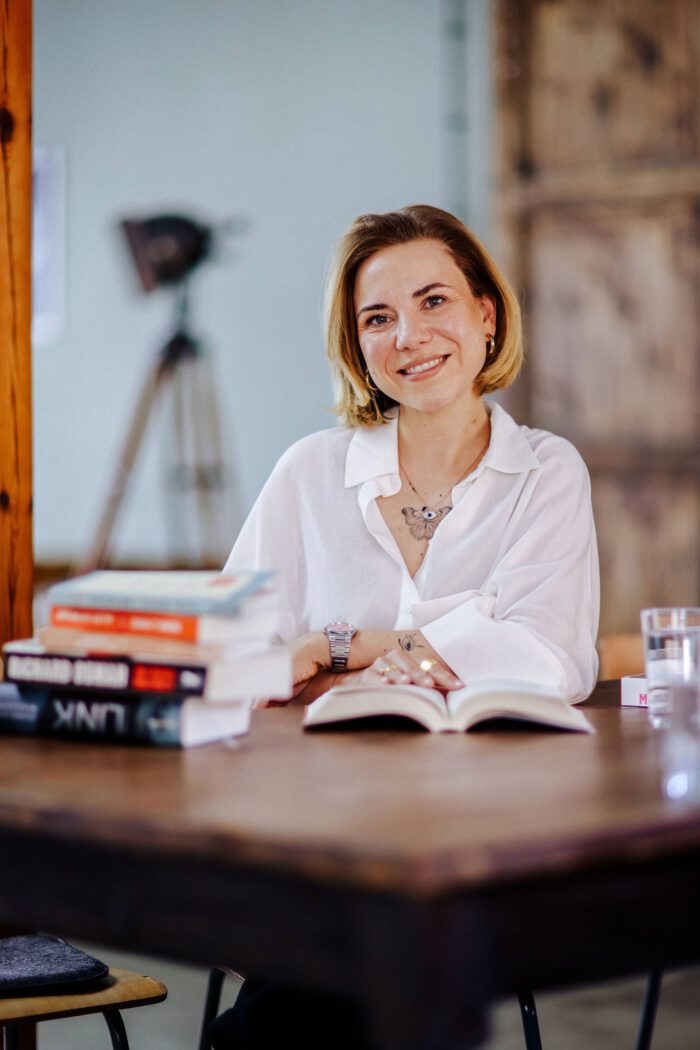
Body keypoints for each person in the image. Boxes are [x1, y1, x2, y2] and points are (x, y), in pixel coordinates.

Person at [210, 204, 599, 1049]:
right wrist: (470, 634)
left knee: (327, 990)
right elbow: (232, 656)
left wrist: (335, 648)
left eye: (433, 302)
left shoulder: (546, 471)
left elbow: (548, 656)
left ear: (485, 315)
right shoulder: (308, 471)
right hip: (317, 827)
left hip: (481, 834)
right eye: (378, 318)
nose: (409, 336)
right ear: (358, 346)